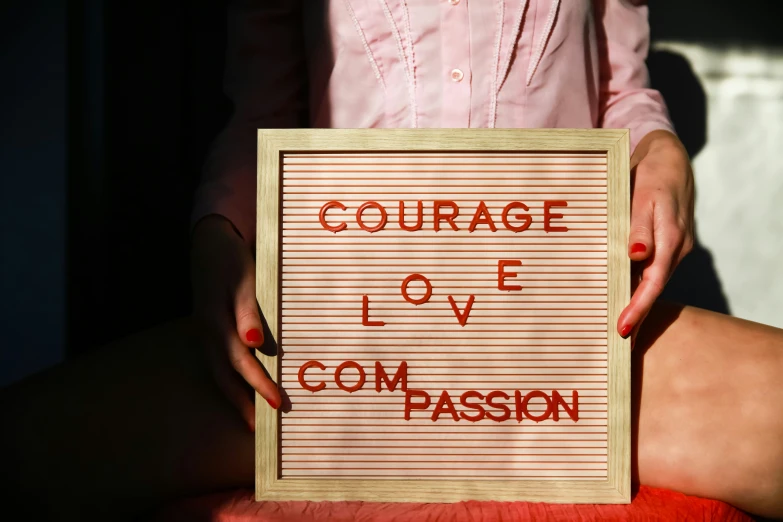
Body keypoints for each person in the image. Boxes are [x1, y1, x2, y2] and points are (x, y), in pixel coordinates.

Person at [1, 1, 781, 521]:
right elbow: (265, 115)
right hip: (343, 342)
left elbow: (625, 90)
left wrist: (660, 150)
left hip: (557, 337)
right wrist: (219, 239)